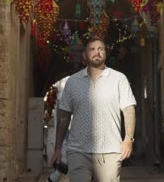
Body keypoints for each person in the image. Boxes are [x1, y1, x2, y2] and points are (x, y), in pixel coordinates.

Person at [51, 36, 136, 182]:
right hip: (78, 152)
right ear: (85, 55)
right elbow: (64, 117)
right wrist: (58, 147)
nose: (97, 52)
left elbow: (129, 110)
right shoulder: (72, 82)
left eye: (100, 49)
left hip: (109, 152)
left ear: (105, 53)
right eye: (92, 49)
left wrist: (128, 139)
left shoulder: (119, 79)